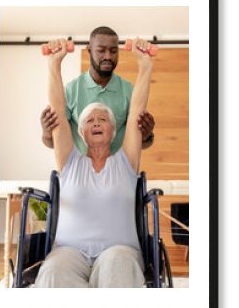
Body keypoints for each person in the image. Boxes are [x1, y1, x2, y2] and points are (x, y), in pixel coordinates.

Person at [34, 36, 153, 288]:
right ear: (80, 132)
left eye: (103, 119)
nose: (97, 122)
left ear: (114, 130)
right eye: (89, 120)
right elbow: (57, 111)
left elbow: (136, 112)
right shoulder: (70, 162)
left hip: (119, 250)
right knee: (53, 270)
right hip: (69, 252)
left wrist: (145, 65)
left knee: (117, 263)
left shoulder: (125, 161)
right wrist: (53, 64)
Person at [40, 26, 155, 155]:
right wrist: (46, 133)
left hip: (117, 171)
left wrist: (147, 135)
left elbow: (142, 143)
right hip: (81, 170)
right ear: (89, 50)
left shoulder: (130, 91)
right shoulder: (71, 91)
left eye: (113, 51)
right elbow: (54, 143)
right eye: (101, 50)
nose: (108, 56)